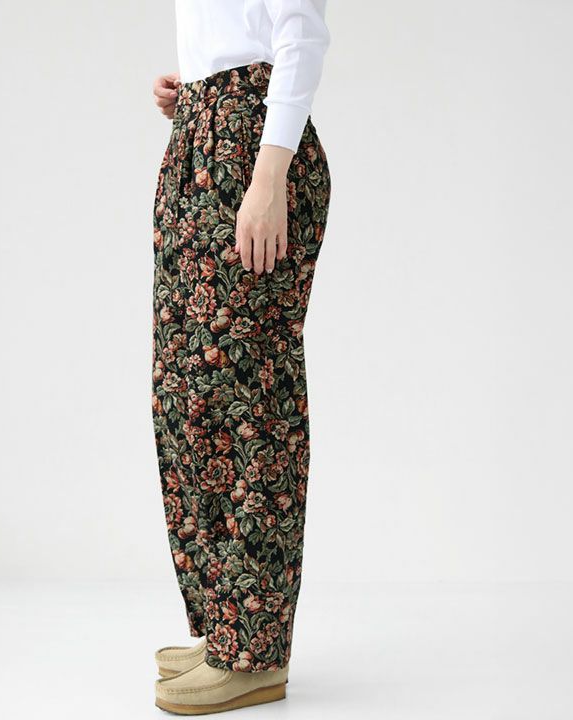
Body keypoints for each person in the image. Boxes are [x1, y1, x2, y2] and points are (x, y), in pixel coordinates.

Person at [150, 0, 331, 713]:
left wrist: (269, 176)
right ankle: (228, 623)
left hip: (253, 157)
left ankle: (255, 652)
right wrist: (195, 88)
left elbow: (301, 35)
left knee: (249, 400)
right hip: (204, 137)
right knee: (187, 392)